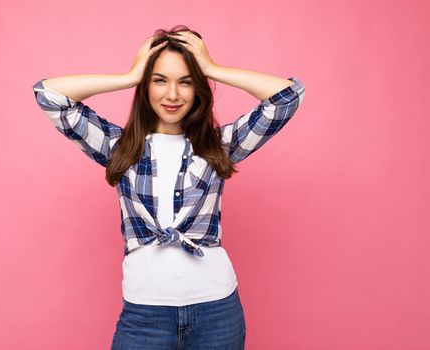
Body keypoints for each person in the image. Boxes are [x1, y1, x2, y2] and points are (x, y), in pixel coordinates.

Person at [32, 25, 305, 350]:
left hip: (217, 311)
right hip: (144, 316)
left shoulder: (220, 145)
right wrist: (129, 77)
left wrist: (212, 68)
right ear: (145, 87)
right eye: (159, 80)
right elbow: (49, 96)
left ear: (199, 88)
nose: (172, 94)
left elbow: (286, 98)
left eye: (186, 82)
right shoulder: (118, 147)